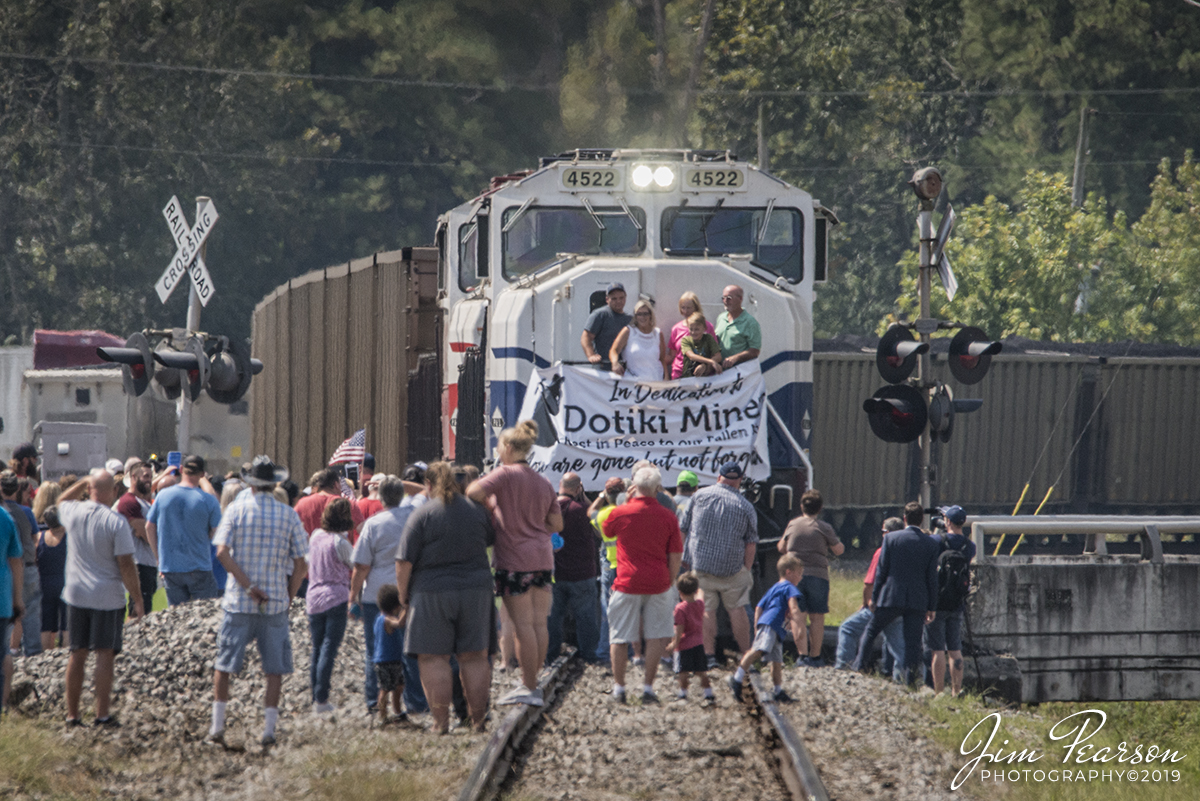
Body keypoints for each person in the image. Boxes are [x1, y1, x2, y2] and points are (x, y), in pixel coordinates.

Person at [209, 456, 308, 746]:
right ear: (274, 482)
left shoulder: (236, 511)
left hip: (239, 600)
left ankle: (217, 728)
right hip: (275, 601)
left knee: (224, 665)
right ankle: (268, 731)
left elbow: (222, 553)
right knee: (274, 669)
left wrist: (248, 585)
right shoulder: (288, 514)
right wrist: (288, 597)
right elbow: (301, 564)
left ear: (250, 483)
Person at [466, 421, 563, 707]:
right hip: (543, 557)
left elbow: (472, 491)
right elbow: (557, 523)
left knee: (521, 626)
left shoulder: (505, 474)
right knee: (538, 623)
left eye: (498, 446)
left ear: (508, 448)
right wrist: (534, 524)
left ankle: (528, 686)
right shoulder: (542, 481)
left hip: (514, 559)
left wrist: (494, 508)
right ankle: (536, 681)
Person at [396, 461, 495, 734]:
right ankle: (478, 721)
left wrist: (404, 597)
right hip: (476, 589)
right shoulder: (477, 512)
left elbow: (403, 562)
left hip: (430, 593)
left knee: (433, 658)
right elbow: (490, 539)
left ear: (428, 485)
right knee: (474, 657)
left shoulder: (422, 514)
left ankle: (440, 724)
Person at [57, 472, 143, 726]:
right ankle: (101, 714)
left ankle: (72, 714)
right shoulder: (115, 522)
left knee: (77, 653)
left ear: (90, 489)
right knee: (105, 655)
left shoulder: (73, 512)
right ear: (113, 491)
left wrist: (83, 482)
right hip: (107, 596)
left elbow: (60, 500)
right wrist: (137, 599)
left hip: (76, 593)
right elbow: (126, 564)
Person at [603, 465, 683, 704]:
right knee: (656, 636)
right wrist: (669, 580)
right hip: (658, 581)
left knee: (618, 636)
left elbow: (607, 531)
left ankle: (619, 689)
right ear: (658, 488)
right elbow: (676, 554)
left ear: (634, 486)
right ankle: (648, 688)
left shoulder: (621, 512)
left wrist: (624, 502)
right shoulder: (668, 516)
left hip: (626, 581)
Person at [351, 476, 425, 715]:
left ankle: (374, 701)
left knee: (376, 650)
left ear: (381, 498)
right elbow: (430, 492)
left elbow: (362, 565)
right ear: (401, 495)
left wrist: (353, 596)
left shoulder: (374, 524)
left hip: (377, 595)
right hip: (410, 592)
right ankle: (416, 702)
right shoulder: (415, 516)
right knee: (412, 648)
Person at [852, 501, 942, 686]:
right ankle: (910, 681)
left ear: (904, 518)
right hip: (917, 600)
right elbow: (932, 578)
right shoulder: (930, 544)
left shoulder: (891, 539)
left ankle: (859, 667)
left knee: (871, 631)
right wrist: (932, 606)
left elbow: (882, 571)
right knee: (913, 643)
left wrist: (874, 597)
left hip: (891, 596)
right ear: (922, 519)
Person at [679, 461, 758, 668]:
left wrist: (683, 558)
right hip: (732, 569)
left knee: (706, 610)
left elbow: (684, 529)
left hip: (702, 567)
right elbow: (751, 543)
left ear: (718, 478)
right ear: (739, 481)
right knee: (738, 610)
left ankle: (709, 656)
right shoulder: (745, 506)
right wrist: (746, 569)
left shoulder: (698, 497)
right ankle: (745, 656)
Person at [778, 489, 844, 667]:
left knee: (797, 616)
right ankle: (815, 657)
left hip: (794, 577)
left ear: (801, 506)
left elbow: (781, 547)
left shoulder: (793, 524)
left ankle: (801, 656)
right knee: (817, 617)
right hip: (818, 576)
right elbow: (838, 550)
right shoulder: (824, 527)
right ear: (820, 508)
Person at [727, 553, 805, 703]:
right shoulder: (789, 587)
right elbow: (794, 608)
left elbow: (758, 608)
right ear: (789, 572)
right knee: (758, 651)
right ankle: (736, 679)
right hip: (772, 624)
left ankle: (778, 690)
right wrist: (799, 625)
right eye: (799, 574)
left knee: (777, 660)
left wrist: (757, 628)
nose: (800, 578)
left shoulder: (774, 588)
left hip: (772, 626)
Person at [834, 518, 906, 680]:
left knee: (848, 628)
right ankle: (903, 681)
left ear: (887, 533)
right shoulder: (906, 551)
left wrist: (867, 603)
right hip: (899, 606)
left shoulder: (882, 551)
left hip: (880, 605)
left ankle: (843, 670)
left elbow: (869, 582)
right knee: (900, 649)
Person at [147, 455, 223, 606]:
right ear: (202, 474)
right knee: (203, 617)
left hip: (170, 567)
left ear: (181, 470)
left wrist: (158, 557)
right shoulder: (209, 500)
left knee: (175, 618)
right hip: (199, 566)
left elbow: (149, 526)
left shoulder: (163, 496)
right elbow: (216, 532)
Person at [306, 497, 355, 713]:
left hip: (313, 596)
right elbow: (356, 563)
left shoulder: (316, 536)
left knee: (317, 648)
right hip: (336, 596)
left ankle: (315, 696)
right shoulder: (341, 543)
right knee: (329, 648)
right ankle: (322, 699)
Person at [546, 472, 601, 664]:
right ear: (578, 488)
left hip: (555, 574)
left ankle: (550, 654)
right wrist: (583, 496)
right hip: (583, 573)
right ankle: (589, 655)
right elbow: (597, 524)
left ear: (560, 484)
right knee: (586, 617)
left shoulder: (549, 509)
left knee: (553, 617)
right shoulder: (583, 508)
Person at [926, 505, 977, 696]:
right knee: (955, 649)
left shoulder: (937, 540)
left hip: (937, 601)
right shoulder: (969, 546)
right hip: (957, 601)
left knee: (937, 650)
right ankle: (957, 690)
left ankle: (939, 691)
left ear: (947, 521)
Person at [1, 470, 40, 657]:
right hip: (27, 566)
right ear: (17, 489)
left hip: (6, 570)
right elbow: (35, 537)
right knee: (30, 611)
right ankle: (33, 652)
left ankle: (9, 650)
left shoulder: (4, 515)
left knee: (7, 614)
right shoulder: (25, 512)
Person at [115, 459, 157, 618]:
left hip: (147, 561)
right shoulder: (129, 501)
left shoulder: (141, 502)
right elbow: (144, 533)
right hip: (138, 563)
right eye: (145, 476)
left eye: (150, 477)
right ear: (133, 477)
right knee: (138, 611)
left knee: (145, 608)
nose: (149, 481)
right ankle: (133, 641)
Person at [590, 476, 625, 664]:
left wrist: (601, 496)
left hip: (608, 566)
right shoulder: (628, 512)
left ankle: (604, 651)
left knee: (606, 611)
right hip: (625, 567)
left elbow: (591, 512)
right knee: (628, 611)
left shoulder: (602, 514)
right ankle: (629, 653)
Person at [669, 572, 713, 706]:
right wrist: (698, 589)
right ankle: (708, 692)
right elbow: (701, 594)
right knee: (701, 671)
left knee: (683, 671)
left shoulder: (680, 608)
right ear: (695, 590)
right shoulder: (699, 604)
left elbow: (680, 628)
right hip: (699, 643)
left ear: (679, 592)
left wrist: (674, 643)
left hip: (684, 645)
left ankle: (683, 693)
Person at [33, 482, 67, 650]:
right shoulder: (68, 535)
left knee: (46, 624)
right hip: (65, 581)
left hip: (44, 583)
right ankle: (66, 655)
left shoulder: (38, 535)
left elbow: (34, 558)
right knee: (67, 623)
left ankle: (46, 656)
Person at [372, 583, 408, 725]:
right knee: (385, 688)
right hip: (385, 661)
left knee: (399, 686)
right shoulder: (386, 619)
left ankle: (398, 712)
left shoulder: (378, 618)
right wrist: (407, 606)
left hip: (394, 659)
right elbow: (399, 623)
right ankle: (382, 716)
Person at [295, 467, 365, 542]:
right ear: (336, 484)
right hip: (341, 551)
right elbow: (364, 532)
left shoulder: (302, 503)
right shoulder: (347, 504)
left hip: (311, 551)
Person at [609, 299, 669, 380]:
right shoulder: (628, 331)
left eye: (645, 314)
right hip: (633, 383)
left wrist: (666, 377)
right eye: (639, 314)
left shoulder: (658, 333)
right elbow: (614, 350)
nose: (642, 317)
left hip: (656, 382)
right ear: (635, 316)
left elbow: (662, 359)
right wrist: (615, 363)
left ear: (650, 315)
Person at [1, 500, 23, 714]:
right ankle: (4, 702)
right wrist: (18, 599)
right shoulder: (6, 518)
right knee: (3, 652)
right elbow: (16, 560)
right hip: (2, 597)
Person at [580, 282, 632, 370]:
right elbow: (586, 337)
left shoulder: (630, 319)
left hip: (624, 371)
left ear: (625, 298)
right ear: (607, 299)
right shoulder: (600, 315)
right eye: (614, 299)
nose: (618, 301)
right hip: (602, 369)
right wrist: (591, 355)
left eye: (621, 298)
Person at [668, 292, 716, 379]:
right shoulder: (676, 329)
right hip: (679, 375)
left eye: (689, 308)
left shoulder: (707, 327)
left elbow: (715, 354)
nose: (685, 311)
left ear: (696, 308)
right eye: (683, 308)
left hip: (702, 376)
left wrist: (706, 366)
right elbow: (672, 356)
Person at [715, 285, 762, 370]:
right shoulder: (721, 318)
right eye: (723, 298)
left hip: (739, 372)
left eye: (729, 298)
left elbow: (755, 351)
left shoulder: (750, 322)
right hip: (721, 372)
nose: (725, 301)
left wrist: (735, 358)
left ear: (740, 299)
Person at [678, 312, 724, 377]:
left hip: (705, 377)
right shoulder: (686, 340)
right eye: (691, 329)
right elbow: (692, 356)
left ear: (704, 328)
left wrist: (704, 365)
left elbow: (718, 356)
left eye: (697, 329)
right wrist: (711, 362)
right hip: (689, 377)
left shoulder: (708, 338)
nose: (693, 332)